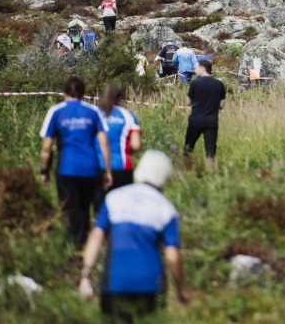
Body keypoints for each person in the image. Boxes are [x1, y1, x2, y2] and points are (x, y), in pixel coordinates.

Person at [78, 150, 187, 321]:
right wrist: (179, 293)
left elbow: (96, 237)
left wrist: (86, 275)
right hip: (151, 285)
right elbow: (173, 257)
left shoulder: (114, 198)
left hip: (114, 282)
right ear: (166, 178)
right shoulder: (166, 209)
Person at [40, 76, 112, 249]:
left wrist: (44, 170)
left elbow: (47, 145)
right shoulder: (94, 111)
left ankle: (72, 246)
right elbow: (104, 142)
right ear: (84, 93)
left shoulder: (56, 111)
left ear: (64, 92)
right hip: (91, 168)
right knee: (85, 208)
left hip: (66, 168)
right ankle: (83, 244)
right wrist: (107, 170)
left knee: (68, 208)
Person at [97, 83, 142, 191]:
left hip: (97, 166)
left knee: (100, 205)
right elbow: (136, 145)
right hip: (122, 167)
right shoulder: (128, 115)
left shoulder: (96, 113)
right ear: (120, 98)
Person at [183, 59, 226, 162]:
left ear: (202, 68)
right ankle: (211, 171)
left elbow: (188, 102)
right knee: (210, 151)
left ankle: (187, 168)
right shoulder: (219, 84)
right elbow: (221, 105)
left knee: (188, 148)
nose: (194, 71)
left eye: (196, 68)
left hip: (195, 120)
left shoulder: (195, 83)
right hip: (211, 121)